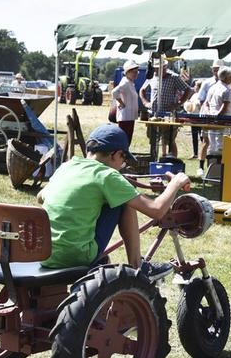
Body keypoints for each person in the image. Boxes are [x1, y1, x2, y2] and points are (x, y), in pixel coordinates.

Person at [37, 124, 191, 281]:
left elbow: (40, 196)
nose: (122, 165)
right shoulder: (107, 175)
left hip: (44, 254)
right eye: (123, 159)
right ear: (115, 154)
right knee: (124, 201)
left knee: (117, 198)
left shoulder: (67, 167)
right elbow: (157, 210)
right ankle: (138, 266)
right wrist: (176, 183)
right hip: (75, 255)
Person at [139, 57, 193, 157]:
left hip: (169, 115)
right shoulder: (152, 77)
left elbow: (188, 90)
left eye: (159, 68)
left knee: (170, 140)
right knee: (153, 139)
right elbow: (142, 90)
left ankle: (173, 160)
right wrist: (146, 103)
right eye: (156, 69)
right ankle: (154, 158)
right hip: (154, 115)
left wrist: (178, 104)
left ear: (165, 67)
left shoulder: (174, 77)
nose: (157, 71)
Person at [194, 59, 225, 174]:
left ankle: (218, 169)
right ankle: (201, 167)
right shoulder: (207, 83)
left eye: (217, 70)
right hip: (207, 116)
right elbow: (200, 99)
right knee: (205, 141)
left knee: (221, 142)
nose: (215, 72)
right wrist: (206, 110)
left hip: (221, 117)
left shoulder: (226, 83)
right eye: (214, 69)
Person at [202, 66, 231, 173]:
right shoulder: (226, 90)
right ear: (227, 78)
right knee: (222, 148)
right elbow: (224, 108)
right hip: (223, 123)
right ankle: (220, 173)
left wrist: (210, 115)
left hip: (213, 122)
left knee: (212, 147)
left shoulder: (212, 88)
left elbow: (206, 103)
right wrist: (217, 116)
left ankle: (211, 172)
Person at [111, 60, 140, 144]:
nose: (136, 74)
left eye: (136, 72)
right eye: (133, 72)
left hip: (129, 116)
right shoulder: (125, 82)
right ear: (127, 72)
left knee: (127, 140)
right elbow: (114, 92)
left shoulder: (130, 83)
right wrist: (121, 102)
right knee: (124, 140)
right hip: (125, 117)